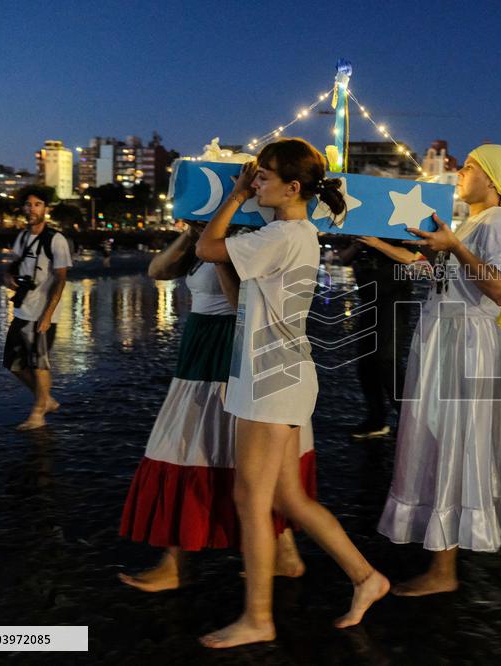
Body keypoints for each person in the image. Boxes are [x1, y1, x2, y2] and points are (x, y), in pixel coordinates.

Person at [195, 138, 388, 648]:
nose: (256, 182)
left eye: (263, 176)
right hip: (276, 371)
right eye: (254, 177)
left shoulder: (282, 233)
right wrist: (226, 255)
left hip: (271, 377)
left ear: (292, 187)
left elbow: (204, 247)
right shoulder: (294, 234)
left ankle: (258, 618)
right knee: (287, 497)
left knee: (251, 499)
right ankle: (367, 577)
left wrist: (233, 198)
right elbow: (243, 300)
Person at [117, 223, 314, 592]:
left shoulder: (252, 238)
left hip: (227, 350)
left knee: (189, 449)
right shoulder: (211, 237)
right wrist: (193, 235)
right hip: (200, 348)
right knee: (215, 452)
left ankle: (175, 562)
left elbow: (243, 302)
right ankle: (284, 552)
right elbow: (158, 271)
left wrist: (216, 243)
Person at [377, 144, 501, 595]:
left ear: (494, 180)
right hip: (442, 337)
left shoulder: (499, 221)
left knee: (449, 440)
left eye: (469, 168)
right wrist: (379, 243)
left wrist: (456, 246)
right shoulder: (469, 223)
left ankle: (443, 571)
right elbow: (436, 274)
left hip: (466, 343)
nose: (460, 174)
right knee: (470, 442)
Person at [2, 185, 72, 430]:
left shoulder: (56, 239)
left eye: (37, 204)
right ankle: (46, 400)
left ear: (46, 209)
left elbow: (61, 279)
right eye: (28, 204)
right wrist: (8, 278)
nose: (32, 209)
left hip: (43, 312)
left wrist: (48, 315)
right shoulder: (22, 237)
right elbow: (13, 265)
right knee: (13, 364)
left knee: (39, 363)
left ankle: (38, 412)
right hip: (22, 310)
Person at [337, 237, 413, 439]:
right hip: (368, 300)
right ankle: (376, 419)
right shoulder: (360, 226)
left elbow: (408, 258)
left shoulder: (397, 226)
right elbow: (343, 258)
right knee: (366, 364)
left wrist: (377, 243)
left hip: (394, 299)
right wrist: (357, 243)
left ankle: (410, 420)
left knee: (386, 359)